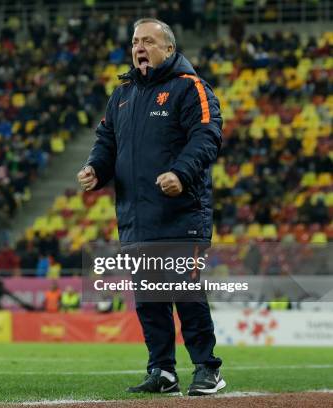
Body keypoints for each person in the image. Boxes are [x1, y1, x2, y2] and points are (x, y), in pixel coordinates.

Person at [77, 18, 224, 396]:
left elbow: (207, 137)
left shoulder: (191, 88)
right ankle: (162, 370)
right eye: (135, 42)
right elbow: (107, 140)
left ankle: (208, 369)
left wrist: (181, 173)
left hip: (182, 214)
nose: (139, 47)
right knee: (148, 300)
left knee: (185, 294)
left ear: (169, 49)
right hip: (136, 217)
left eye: (148, 41)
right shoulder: (122, 93)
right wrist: (96, 168)